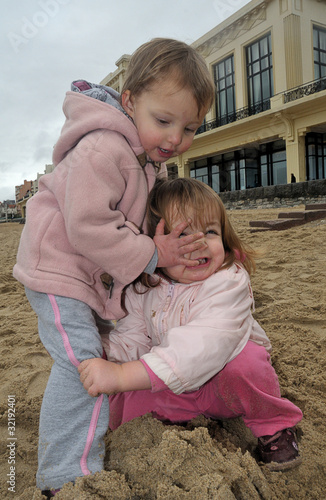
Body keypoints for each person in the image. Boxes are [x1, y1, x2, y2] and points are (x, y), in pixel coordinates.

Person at [13, 39, 215, 495]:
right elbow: (87, 224)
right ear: (129, 101)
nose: (174, 139)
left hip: (89, 276)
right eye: (163, 121)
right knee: (82, 365)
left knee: (105, 349)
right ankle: (65, 479)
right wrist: (151, 254)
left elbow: (142, 223)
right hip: (57, 271)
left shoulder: (146, 160)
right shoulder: (104, 147)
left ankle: (116, 423)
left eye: (190, 128)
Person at [79, 177, 303, 472]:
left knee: (247, 365)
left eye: (210, 231)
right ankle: (181, 425)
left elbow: (204, 344)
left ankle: (273, 426)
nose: (199, 244)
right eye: (183, 235)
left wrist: (122, 374)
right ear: (152, 245)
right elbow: (133, 337)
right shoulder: (143, 288)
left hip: (224, 387)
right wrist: (107, 353)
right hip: (177, 386)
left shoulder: (228, 280)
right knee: (126, 406)